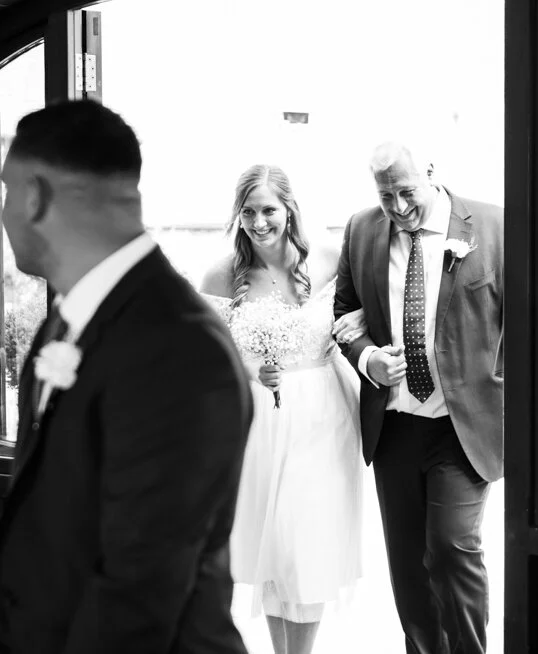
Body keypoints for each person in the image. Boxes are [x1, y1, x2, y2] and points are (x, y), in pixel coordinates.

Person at [0, 99, 253, 654]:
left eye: (5, 192)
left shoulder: (180, 349)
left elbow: (137, 593)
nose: (1, 213)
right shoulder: (69, 318)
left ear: (35, 197)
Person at [334, 141, 504, 654]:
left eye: (407, 192)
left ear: (430, 172)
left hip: (462, 427)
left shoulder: (494, 226)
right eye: (386, 197)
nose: (399, 206)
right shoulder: (360, 230)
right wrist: (368, 359)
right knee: (408, 569)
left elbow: (528, 323)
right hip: (394, 427)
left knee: (451, 549)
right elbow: (343, 313)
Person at [200, 164, 367, 654]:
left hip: (324, 417)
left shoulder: (331, 260)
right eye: (248, 212)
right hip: (261, 424)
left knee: (306, 544)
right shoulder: (220, 275)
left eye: (269, 210)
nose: (259, 222)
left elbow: (367, 312)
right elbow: (206, 357)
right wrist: (251, 369)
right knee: (276, 549)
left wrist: (360, 323)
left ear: (289, 210)